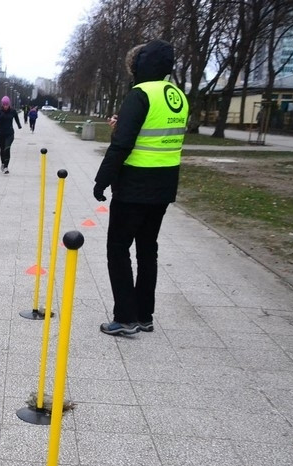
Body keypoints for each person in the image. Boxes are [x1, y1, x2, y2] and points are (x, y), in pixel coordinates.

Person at [92, 39, 189, 336]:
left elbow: (123, 143)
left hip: (135, 185)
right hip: (164, 185)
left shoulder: (140, 93)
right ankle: (145, 315)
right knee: (148, 250)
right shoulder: (177, 95)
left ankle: (125, 317)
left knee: (118, 248)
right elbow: (156, 133)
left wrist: (102, 179)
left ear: (139, 66)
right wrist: (121, 125)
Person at [0, 96, 22, 174]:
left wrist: (19, 125)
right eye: (4, 105)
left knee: (7, 148)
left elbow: (16, 118)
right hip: (0, 134)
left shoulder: (13, 111)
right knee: (2, 150)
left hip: (9, 134)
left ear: (9, 104)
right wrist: (1, 116)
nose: (5, 106)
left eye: (7, 104)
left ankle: (6, 167)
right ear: (2, 104)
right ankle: (3, 163)